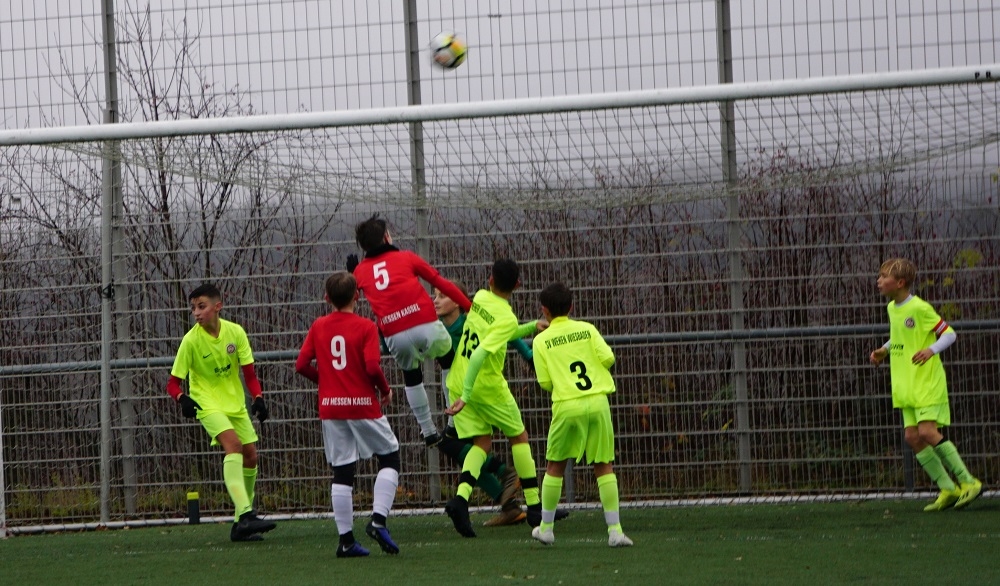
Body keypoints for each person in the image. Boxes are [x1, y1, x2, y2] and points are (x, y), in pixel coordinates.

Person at [434, 283, 570, 527]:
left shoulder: (471, 316)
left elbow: (504, 334)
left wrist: (528, 354)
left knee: (463, 444)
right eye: (434, 295)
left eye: (442, 295)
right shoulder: (439, 328)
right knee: (475, 444)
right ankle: (516, 499)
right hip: (461, 390)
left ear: (457, 301)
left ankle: (499, 489)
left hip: (467, 391)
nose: (435, 300)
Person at [295, 271, 402, 557]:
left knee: (342, 469)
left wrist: (326, 382)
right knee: (390, 456)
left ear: (326, 298)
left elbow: (301, 364)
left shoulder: (319, 326)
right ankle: (378, 520)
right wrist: (385, 389)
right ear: (357, 295)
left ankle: (346, 541)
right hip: (361, 404)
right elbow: (371, 366)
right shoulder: (366, 326)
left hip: (331, 406)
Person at [443, 258, 547, 538]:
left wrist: (531, 326)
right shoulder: (505, 316)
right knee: (519, 437)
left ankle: (460, 499)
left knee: (482, 443)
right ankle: (535, 507)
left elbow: (504, 332)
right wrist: (467, 396)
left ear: (490, 280)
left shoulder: (479, 297)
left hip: (458, 377)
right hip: (484, 385)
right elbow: (482, 352)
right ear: (517, 285)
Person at [347, 213, 471, 448]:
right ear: (386, 237)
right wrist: (469, 307)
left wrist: (353, 274)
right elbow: (441, 283)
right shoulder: (406, 257)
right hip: (425, 323)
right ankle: (454, 423)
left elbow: (350, 295)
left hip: (395, 334)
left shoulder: (360, 272)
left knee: (412, 377)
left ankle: (428, 431)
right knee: (449, 361)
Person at [166, 283, 276, 542]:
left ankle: (240, 525)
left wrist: (258, 398)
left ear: (218, 307)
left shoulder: (235, 332)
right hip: (207, 404)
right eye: (193, 308)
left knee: (251, 456)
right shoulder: (190, 341)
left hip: (234, 404)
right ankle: (246, 513)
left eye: (201, 306)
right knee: (233, 446)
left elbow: (250, 375)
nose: (196, 312)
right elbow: (172, 384)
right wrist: (182, 398)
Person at [869, 258, 982, 511]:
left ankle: (969, 481)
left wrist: (931, 350)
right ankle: (948, 488)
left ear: (900, 282)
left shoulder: (920, 308)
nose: (879, 281)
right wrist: (884, 350)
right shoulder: (892, 308)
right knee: (912, 436)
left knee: (927, 432)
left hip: (926, 381)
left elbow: (949, 333)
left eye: (884, 277)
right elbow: (900, 336)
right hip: (906, 384)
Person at [529, 282, 632, 547]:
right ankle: (615, 531)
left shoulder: (540, 340)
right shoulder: (587, 329)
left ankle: (546, 528)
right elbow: (608, 358)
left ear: (544, 311)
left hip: (567, 405)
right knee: (604, 465)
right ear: (572, 307)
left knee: (555, 465)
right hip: (598, 402)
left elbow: (545, 383)